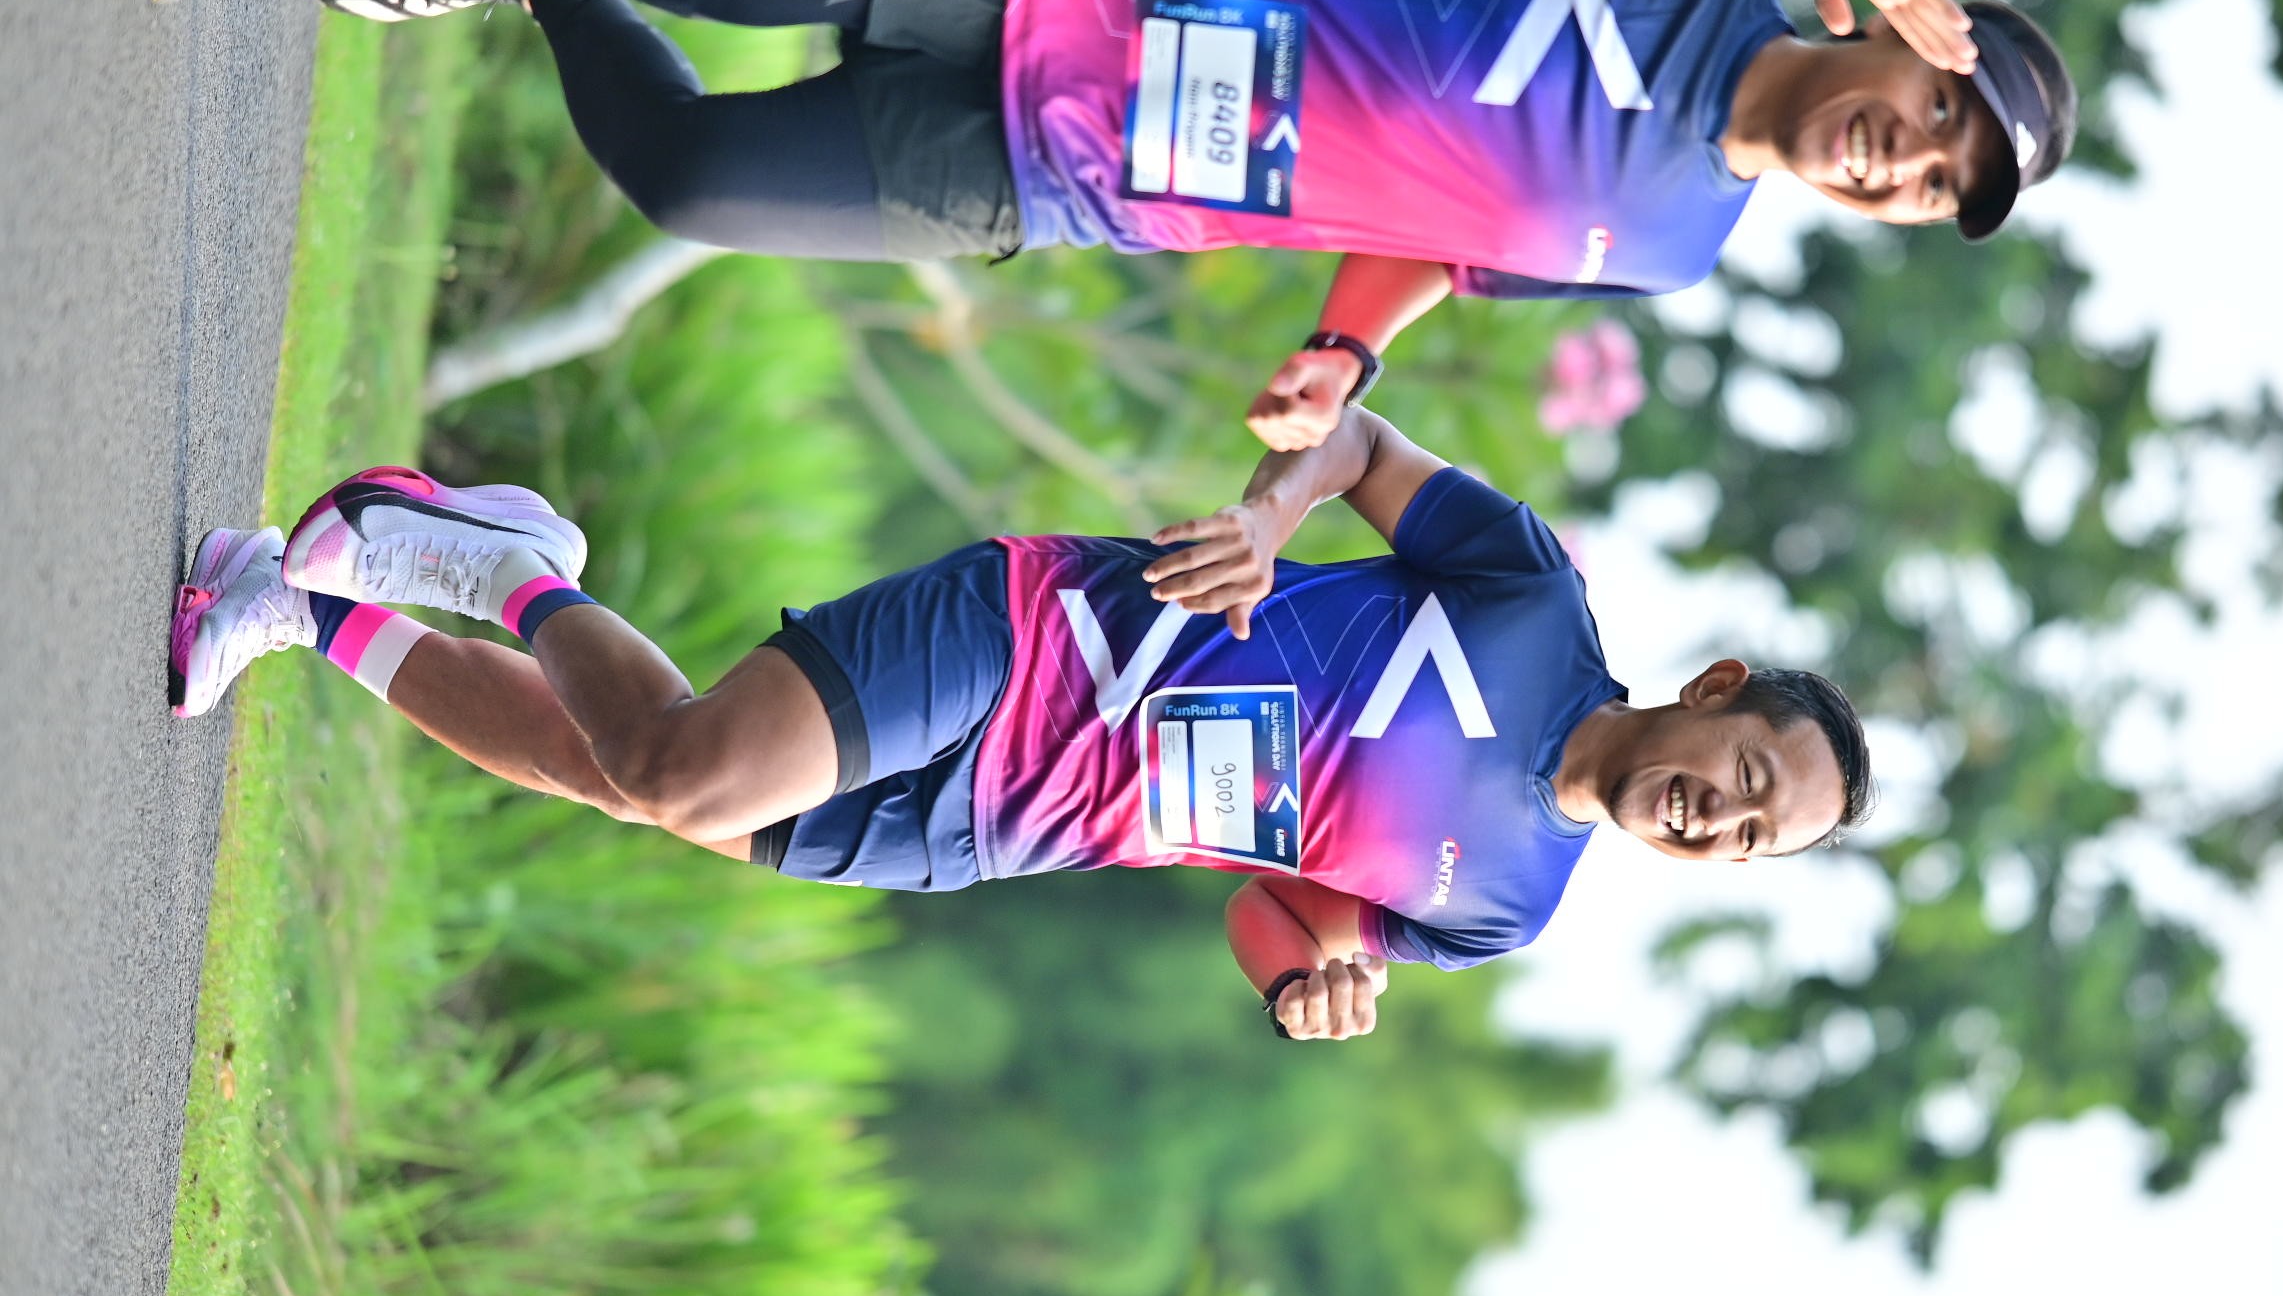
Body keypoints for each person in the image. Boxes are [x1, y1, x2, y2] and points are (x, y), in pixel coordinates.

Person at [150, 0, 2075, 450]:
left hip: (1083, 162)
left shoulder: (1667, 246)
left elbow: (1441, 237)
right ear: (1903, 30)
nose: (1904, 161)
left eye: (1934, 189)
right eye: (1938, 112)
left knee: (693, 179)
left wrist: (1351, 354)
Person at [168, 409, 1870, 1039]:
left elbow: (1269, 909)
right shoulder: (1536, 600)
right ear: (1716, 691)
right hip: (1044, 644)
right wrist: (1269, 521)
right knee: (688, 770)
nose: (1720, 818)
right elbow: (1356, 444)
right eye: (1747, 777)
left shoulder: (1504, 907)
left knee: (624, 777)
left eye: (1752, 837)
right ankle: (510, 563)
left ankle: (292, 604)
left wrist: (1305, 988)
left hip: (1018, 823)